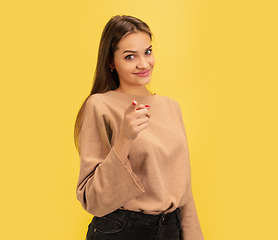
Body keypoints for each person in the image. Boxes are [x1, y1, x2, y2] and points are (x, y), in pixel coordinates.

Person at [75, 15, 204, 240]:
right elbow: (92, 198)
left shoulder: (171, 107)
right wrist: (126, 137)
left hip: (171, 228)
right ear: (110, 62)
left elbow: (184, 189)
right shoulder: (99, 105)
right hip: (122, 229)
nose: (144, 64)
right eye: (130, 56)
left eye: (148, 51)